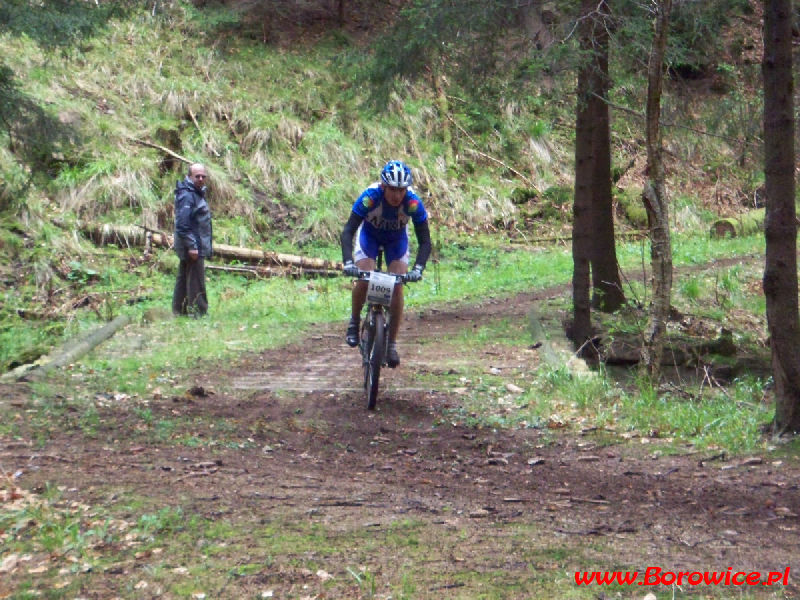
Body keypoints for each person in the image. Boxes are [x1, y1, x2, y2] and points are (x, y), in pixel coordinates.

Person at [340, 160, 432, 367]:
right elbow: (348, 230)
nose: (396, 195)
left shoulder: (412, 203)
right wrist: (347, 262)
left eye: (401, 190)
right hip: (369, 238)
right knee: (364, 278)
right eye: (392, 189)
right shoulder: (370, 197)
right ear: (383, 186)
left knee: (397, 286)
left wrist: (418, 268)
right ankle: (354, 321)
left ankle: (391, 343)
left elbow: (425, 240)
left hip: (396, 240)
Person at [172, 163, 213, 317]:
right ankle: (199, 312)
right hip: (193, 245)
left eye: (203, 176)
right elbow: (183, 224)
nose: (201, 179)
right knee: (196, 279)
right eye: (197, 176)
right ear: (190, 176)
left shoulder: (194, 193)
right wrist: (192, 246)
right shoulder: (188, 195)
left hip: (193, 244)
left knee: (184, 277)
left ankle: (179, 310)